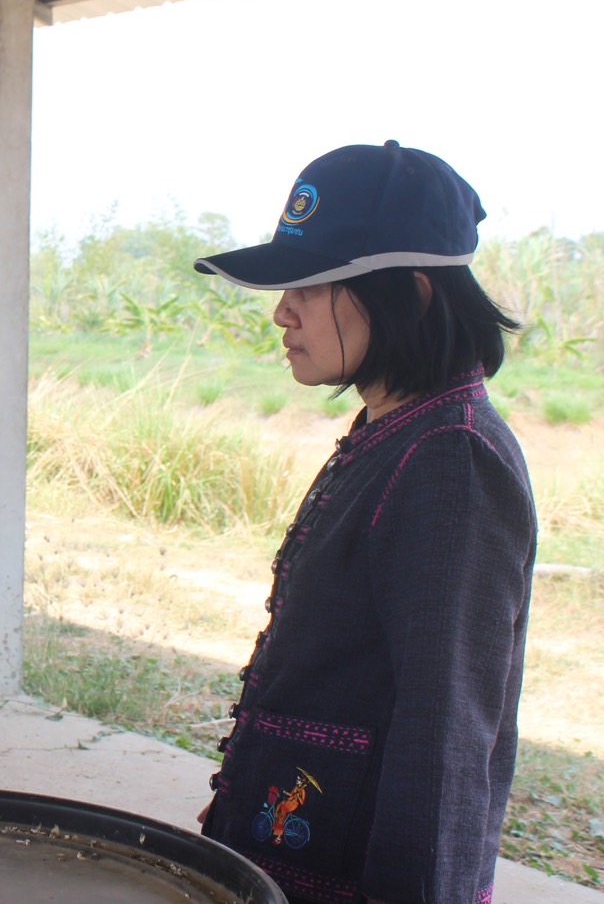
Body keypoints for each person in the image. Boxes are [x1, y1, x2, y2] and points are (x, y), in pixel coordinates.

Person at [191, 141, 537, 904]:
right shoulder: (397, 429)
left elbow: (443, 741)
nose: (282, 310)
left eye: (309, 288)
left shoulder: (453, 459)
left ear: (411, 295)